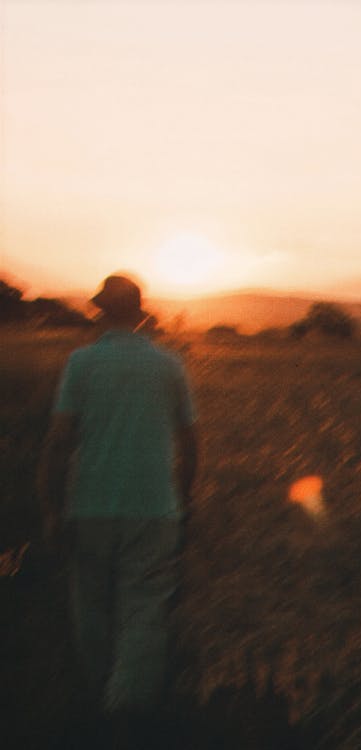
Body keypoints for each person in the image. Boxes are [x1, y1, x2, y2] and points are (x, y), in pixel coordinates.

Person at [37, 274, 198, 748]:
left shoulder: (81, 363)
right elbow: (190, 443)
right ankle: (125, 706)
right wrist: (184, 499)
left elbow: (60, 440)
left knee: (90, 606)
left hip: (88, 505)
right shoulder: (170, 364)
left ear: (101, 313)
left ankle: (100, 699)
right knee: (144, 607)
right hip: (154, 507)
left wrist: (51, 506)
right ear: (141, 312)